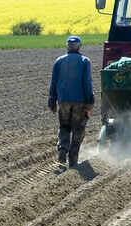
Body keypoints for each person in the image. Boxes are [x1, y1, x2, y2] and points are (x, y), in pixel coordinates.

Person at [47, 35, 95, 168]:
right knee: (78, 129)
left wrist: (51, 101)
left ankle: (63, 148)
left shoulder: (58, 61)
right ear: (79, 47)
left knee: (64, 126)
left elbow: (53, 82)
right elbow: (87, 83)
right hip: (79, 102)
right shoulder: (85, 61)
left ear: (67, 47)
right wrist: (90, 100)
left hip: (63, 101)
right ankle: (73, 161)